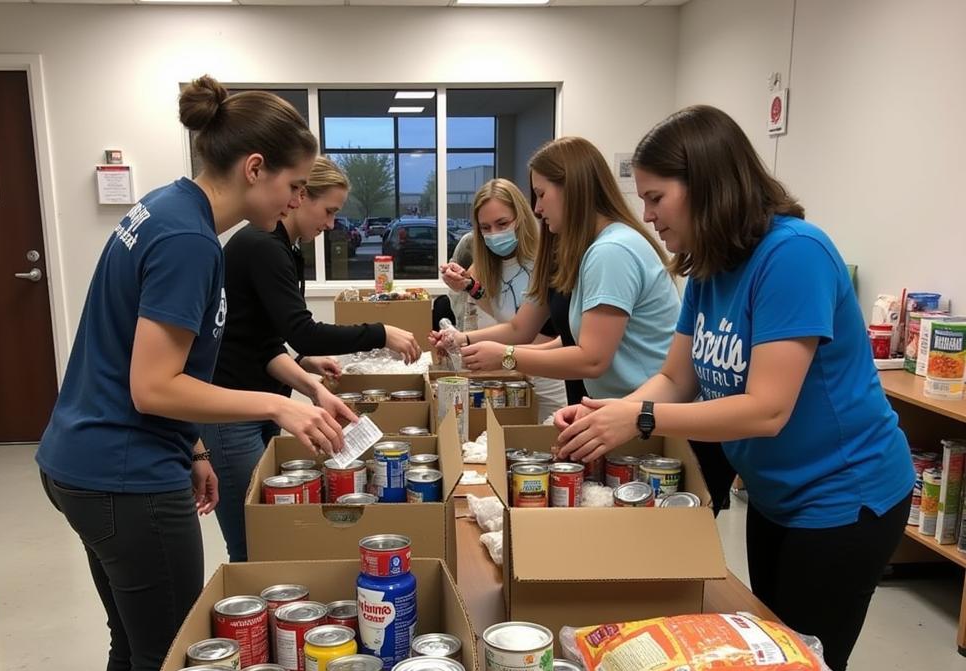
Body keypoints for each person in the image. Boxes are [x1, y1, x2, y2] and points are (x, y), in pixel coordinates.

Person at [36, 77, 347, 671]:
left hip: (88, 461)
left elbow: (161, 372)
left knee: (132, 646)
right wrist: (277, 406)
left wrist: (197, 448)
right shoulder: (189, 241)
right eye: (290, 185)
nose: (293, 202)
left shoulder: (165, 210)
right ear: (253, 167)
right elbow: (153, 384)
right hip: (122, 474)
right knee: (168, 662)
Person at [555, 105, 914, 671]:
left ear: (707, 186)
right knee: (775, 652)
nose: (647, 216)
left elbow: (768, 409)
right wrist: (613, 411)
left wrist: (643, 420)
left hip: (845, 496)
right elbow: (676, 377)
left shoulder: (794, 255)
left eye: (655, 198)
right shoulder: (710, 267)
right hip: (777, 494)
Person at [200, 156, 421, 561]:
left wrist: (310, 379)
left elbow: (262, 339)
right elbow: (300, 329)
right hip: (232, 414)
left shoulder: (281, 247)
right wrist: (381, 332)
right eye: (330, 211)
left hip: (260, 403)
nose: (332, 224)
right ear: (300, 196)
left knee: (270, 535)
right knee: (254, 544)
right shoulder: (263, 246)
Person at [433, 137, 678, 409]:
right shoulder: (591, 250)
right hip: (619, 407)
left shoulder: (610, 251)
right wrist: (476, 344)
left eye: (541, 194)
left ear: (573, 189)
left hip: (638, 409)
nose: (537, 208)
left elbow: (592, 359)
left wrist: (508, 356)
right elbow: (565, 340)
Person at [437, 178, 567, 422]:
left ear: (521, 216)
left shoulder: (547, 259)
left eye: (502, 223)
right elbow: (502, 312)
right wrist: (467, 286)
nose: (494, 234)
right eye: (485, 228)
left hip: (552, 376)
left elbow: (523, 330)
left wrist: (470, 341)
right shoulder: (488, 261)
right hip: (516, 371)